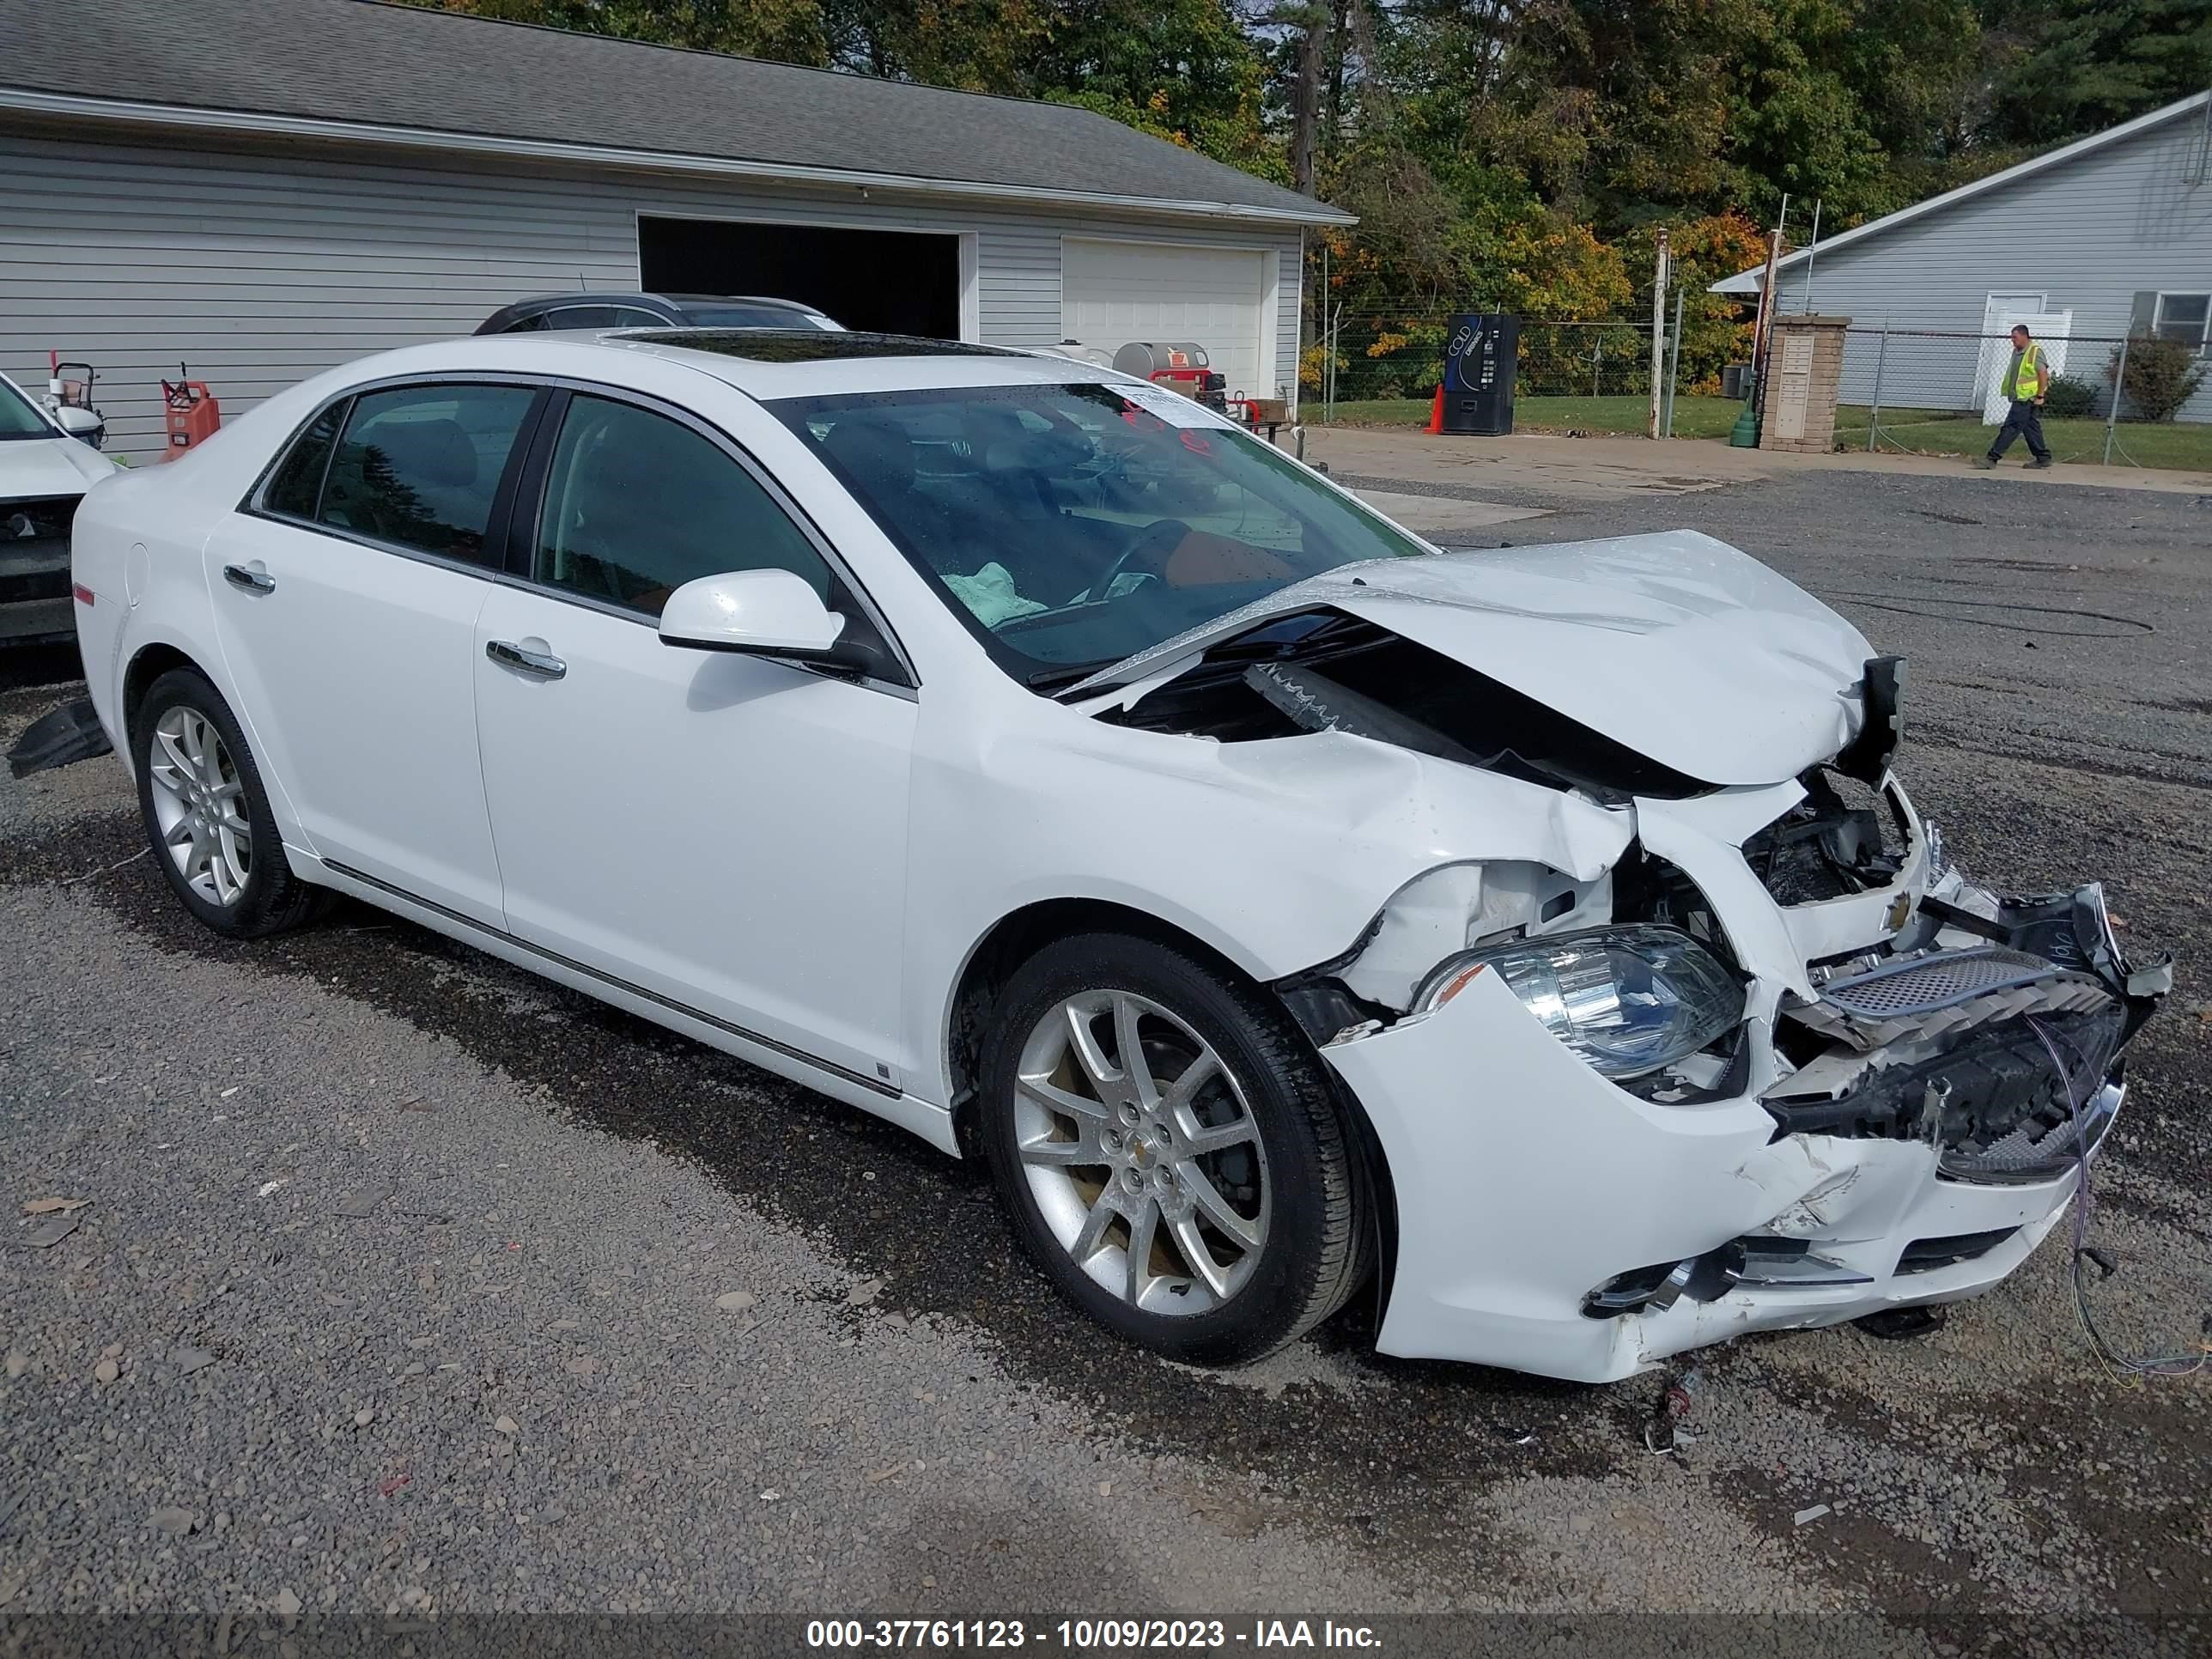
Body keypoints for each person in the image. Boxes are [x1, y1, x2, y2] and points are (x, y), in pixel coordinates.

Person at [1975, 324, 2052, 470]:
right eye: (2012, 337)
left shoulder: (2034, 352)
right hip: (2019, 396)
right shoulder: (2017, 352)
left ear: (2025, 336)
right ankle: (2043, 457)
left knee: (2011, 427)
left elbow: (2043, 374)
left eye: (2015, 337)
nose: (2012, 340)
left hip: (2027, 398)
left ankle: (1992, 458)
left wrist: (2040, 396)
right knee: (2031, 428)